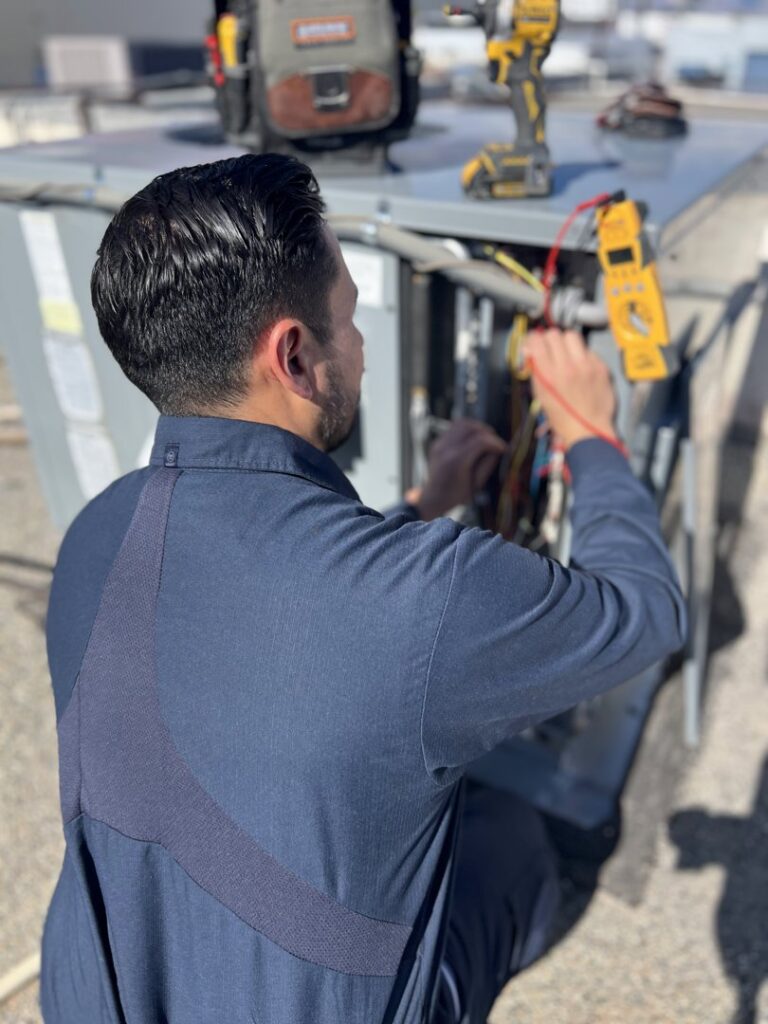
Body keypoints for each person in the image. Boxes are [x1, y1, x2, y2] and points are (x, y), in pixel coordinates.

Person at [40, 153, 685, 1024]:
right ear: (295, 355)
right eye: (347, 316)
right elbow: (646, 610)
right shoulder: (431, 602)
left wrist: (418, 508)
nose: (364, 343)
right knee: (510, 843)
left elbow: (270, 600)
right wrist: (590, 434)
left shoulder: (93, 539)